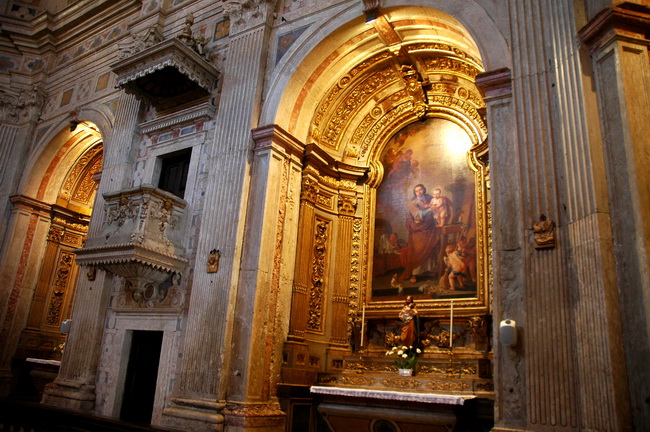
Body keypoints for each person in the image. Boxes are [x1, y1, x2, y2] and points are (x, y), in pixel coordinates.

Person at [400, 184, 440, 283]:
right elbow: (418, 216)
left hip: (429, 228)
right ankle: (415, 273)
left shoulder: (430, 198)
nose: (419, 192)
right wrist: (430, 209)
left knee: (429, 248)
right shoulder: (412, 202)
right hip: (418, 228)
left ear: (424, 190)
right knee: (418, 250)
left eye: (421, 189)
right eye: (416, 191)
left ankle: (426, 271)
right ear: (414, 192)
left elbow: (438, 207)